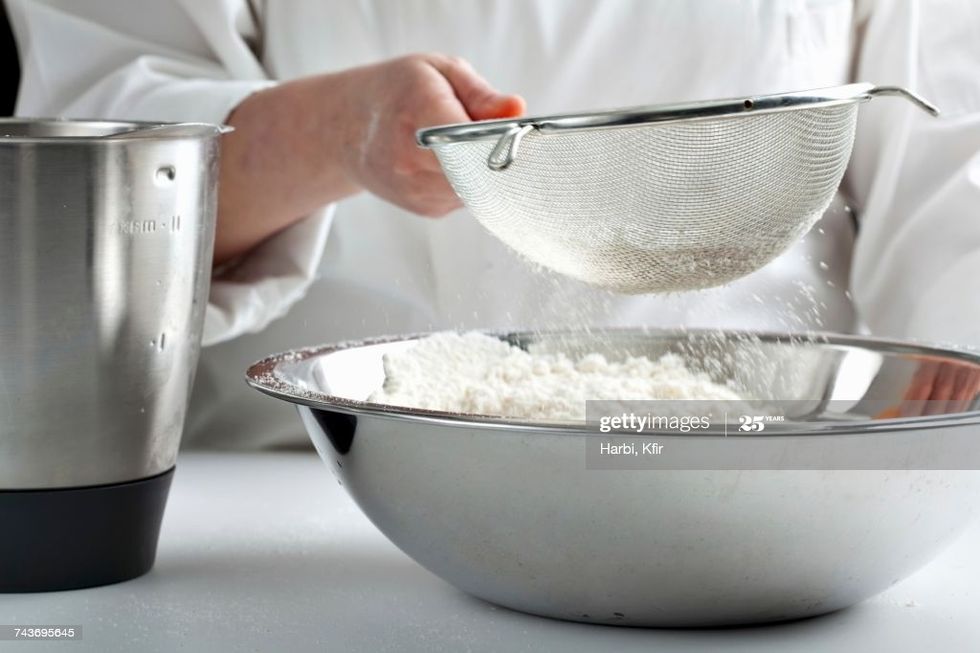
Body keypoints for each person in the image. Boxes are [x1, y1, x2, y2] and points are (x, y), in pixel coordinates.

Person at [8, 0, 980, 447]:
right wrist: (328, 134)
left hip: (771, 464)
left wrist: (939, 409)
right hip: (315, 489)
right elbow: (93, 180)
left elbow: (954, 158)